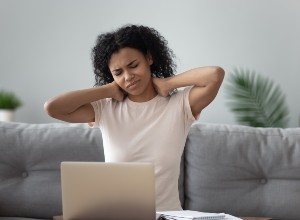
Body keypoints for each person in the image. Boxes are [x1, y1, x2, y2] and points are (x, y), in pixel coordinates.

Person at [44, 24, 224, 211]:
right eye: (118, 72)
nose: (128, 76)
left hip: (167, 215)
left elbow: (215, 75)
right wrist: (108, 89)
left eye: (133, 65)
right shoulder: (105, 108)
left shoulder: (179, 105)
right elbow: (53, 108)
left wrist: (167, 83)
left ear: (149, 57)